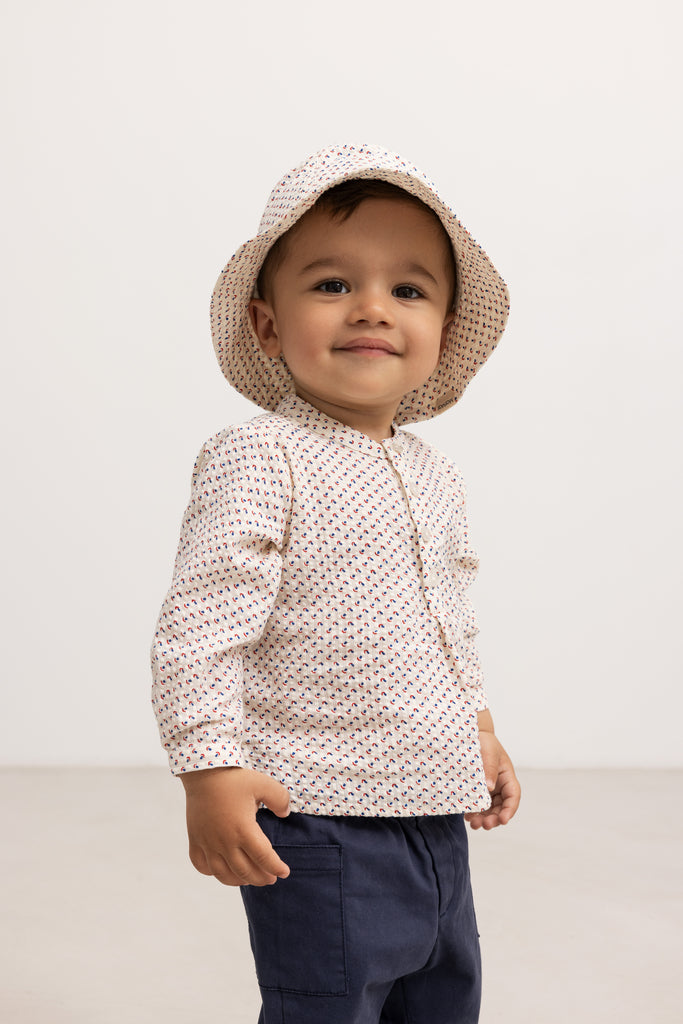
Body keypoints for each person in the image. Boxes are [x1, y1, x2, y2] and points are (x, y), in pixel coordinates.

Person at [151, 143, 521, 1024]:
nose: (371, 308)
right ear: (267, 326)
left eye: (408, 290)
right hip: (317, 815)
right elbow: (200, 627)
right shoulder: (260, 457)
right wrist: (209, 770)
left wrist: (477, 727)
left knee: (442, 999)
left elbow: (448, 621)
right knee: (328, 1007)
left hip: (434, 816)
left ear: (442, 332)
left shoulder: (433, 474)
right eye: (330, 284)